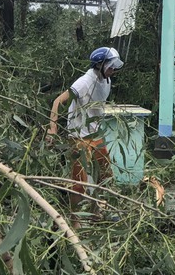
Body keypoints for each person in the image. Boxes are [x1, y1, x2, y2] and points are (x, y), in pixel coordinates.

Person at [48, 46, 124, 221]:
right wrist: (52, 129)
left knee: (104, 174)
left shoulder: (106, 80)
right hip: (79, 135)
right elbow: (58, 101)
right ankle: (73, 219)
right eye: (110, 66)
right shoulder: (83, 82)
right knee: (80, 181)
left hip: (95, 133)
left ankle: (95, 211)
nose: (113, 70)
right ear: (100, 65)